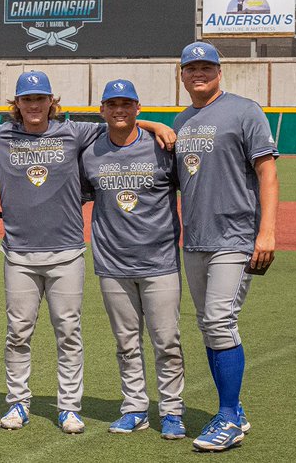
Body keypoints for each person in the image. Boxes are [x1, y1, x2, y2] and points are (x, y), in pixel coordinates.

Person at [0, 70, 173, 434]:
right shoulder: (0, 135)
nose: (34, 105)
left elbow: (119, 123)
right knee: (18, 332)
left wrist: (154, 125)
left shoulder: (74, 132)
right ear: (16, 104)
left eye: (40, 99)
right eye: (27, 99)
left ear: (51, 102)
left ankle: (68, 405)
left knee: (68, 331)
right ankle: (18, 402)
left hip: (67, 252)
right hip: (19, 253)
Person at [174, 42, 278, 452]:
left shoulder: (244, 110)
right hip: (195, 237)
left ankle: (230, 416)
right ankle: (233, 411)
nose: (199, 72)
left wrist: (266, 232)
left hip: (235, 236)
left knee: (219, 320)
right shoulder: (182, 120)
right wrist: (150, 126)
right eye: (191, 67)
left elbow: (267, 173)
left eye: (206, 66)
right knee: (210, 324)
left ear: (220, 70)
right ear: (181, 74)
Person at [80, 79, 186, 440]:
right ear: (102, 110)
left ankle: (172, 410)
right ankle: (135, 408)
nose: (119, 110)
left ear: (138, 109)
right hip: (112, 263)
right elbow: (73, 196)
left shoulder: (162, 147)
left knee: (166, 340)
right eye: (113, 105)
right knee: (126, 343)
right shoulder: (91, 151)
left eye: (127, 104)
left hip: (160, 260)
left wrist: (157, 126)